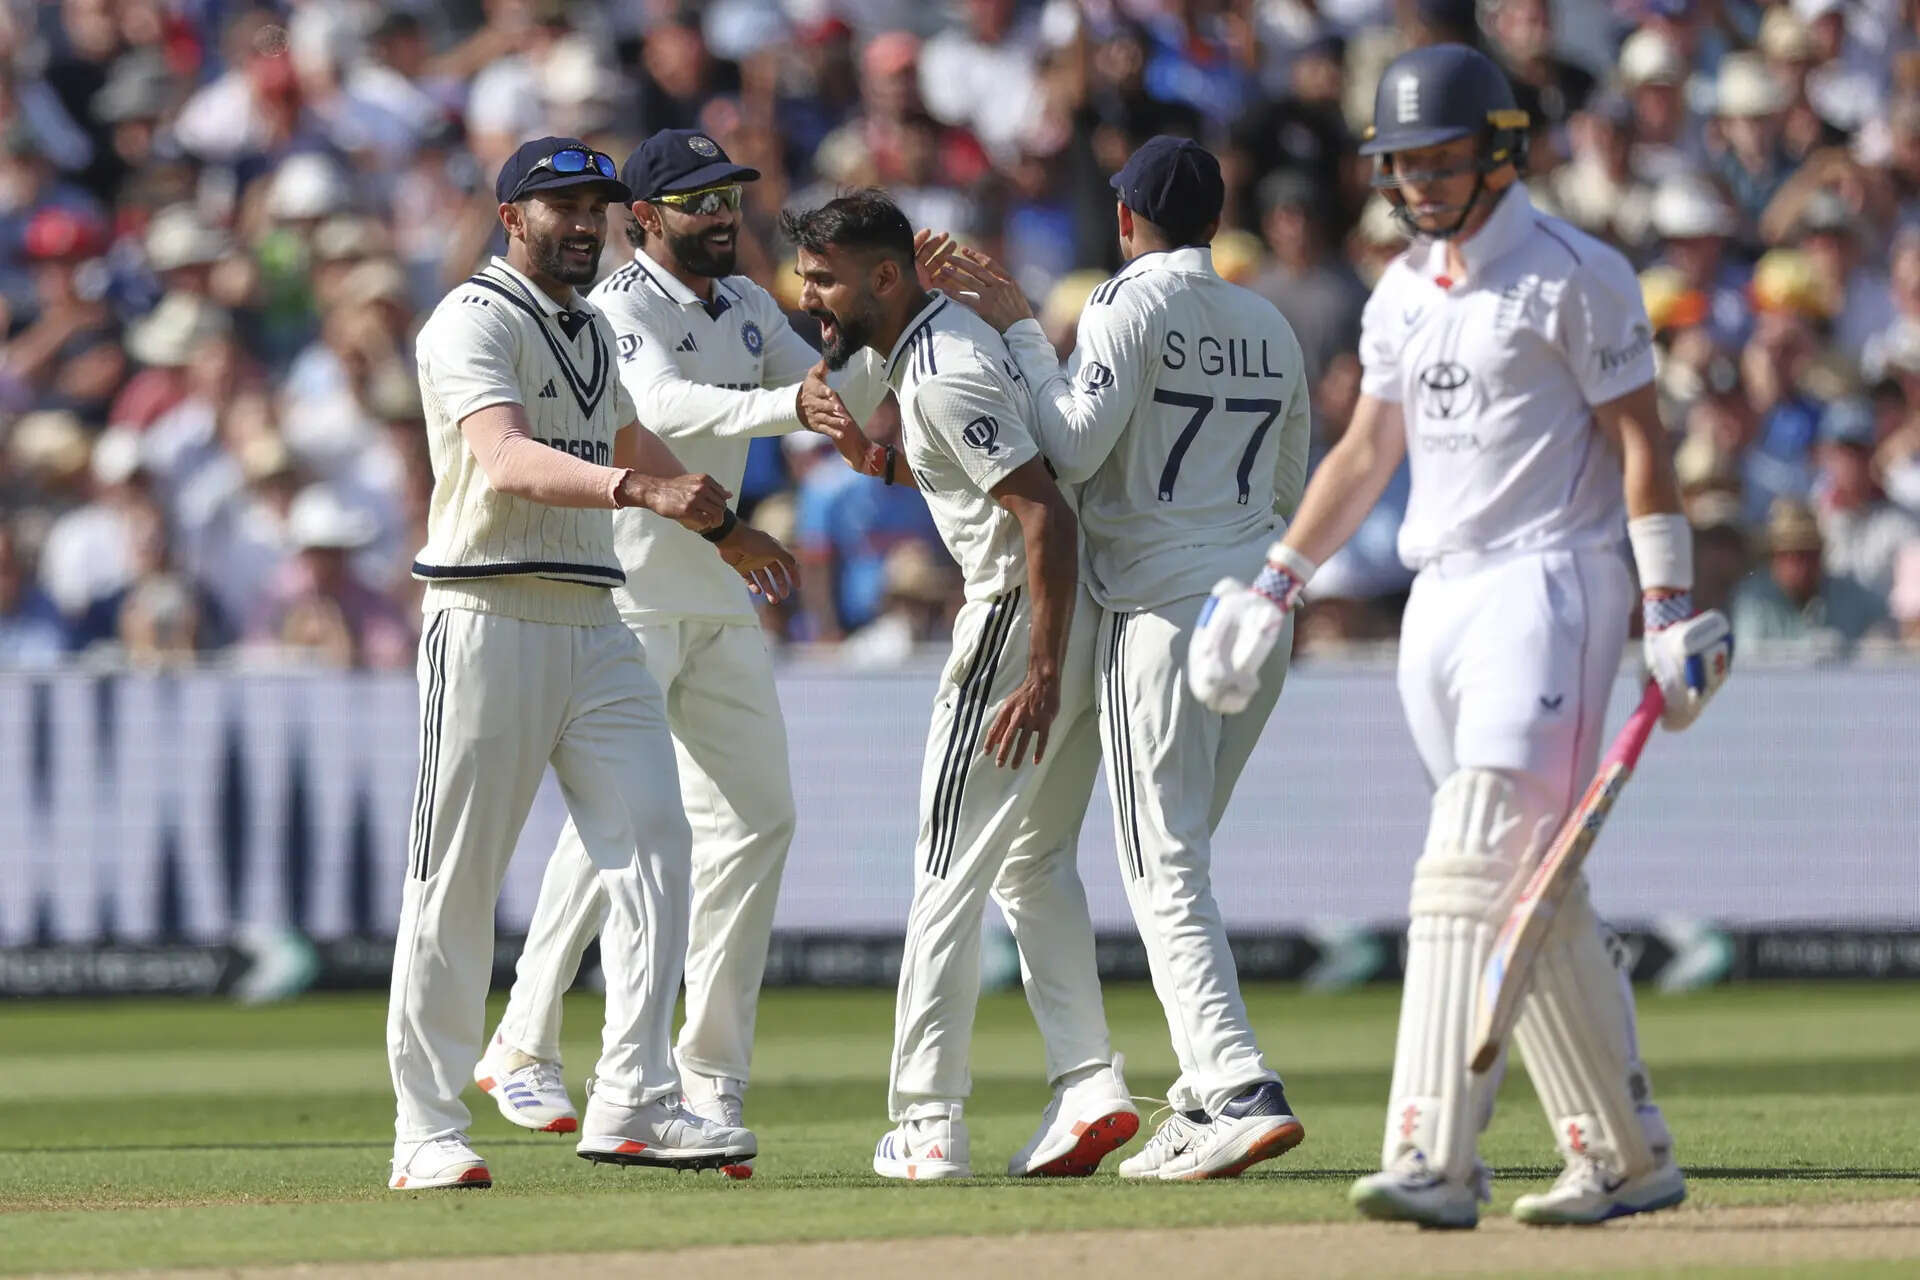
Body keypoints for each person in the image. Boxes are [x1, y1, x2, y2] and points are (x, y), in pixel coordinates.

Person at [1186, 47, 1733, 1228]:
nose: (1421, 184)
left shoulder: (1577, 275)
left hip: (1553, 587)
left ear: (1499, 149)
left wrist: (1670, 600)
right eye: (1402, 164)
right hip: (1437, 601)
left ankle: (1433, 1151)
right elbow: (1366, 452)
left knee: (1470, 856)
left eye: (1442, 160)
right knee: (1532, 887)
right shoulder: (1398, 290)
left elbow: (1640, 438)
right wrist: (1275, 583)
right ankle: (1624, 1153)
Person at [386, 136, 791, 1191]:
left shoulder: (586, 325)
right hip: (487, 609)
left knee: (659, 845)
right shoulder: (472, 318)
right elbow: (507, 458)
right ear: (509, 213)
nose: (581, 222)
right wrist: (646, 497)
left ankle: (633, 1098)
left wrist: (727, 528)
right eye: (558, 204)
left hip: (595, 618)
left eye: (596, 206)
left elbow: (625, 436)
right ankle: (426, 1124)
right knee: (456, 879)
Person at [471, 130, 877, 1168]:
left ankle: (710, 1072)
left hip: (720, 594)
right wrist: (797, 408)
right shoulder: (616, 306)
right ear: (643, 219)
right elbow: (661, 411)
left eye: (730, 198)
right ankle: (520, 1036)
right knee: (620, 825)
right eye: (697, 202)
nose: (722, 218)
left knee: (758, 819)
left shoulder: (743, 305)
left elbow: (837, 387)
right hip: (632, 595)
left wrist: (910, 337)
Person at [925, 134, 1310, 1182]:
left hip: (1161, 611)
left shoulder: (1122, 302)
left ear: (1127, 218)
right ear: (1219, 220)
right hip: (1254, 618)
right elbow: (1290, 482)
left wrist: (1019, 329)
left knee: (1161, 862)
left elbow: (1077, 445)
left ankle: (1234, 1085)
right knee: (1178, 852)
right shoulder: (1268, 320)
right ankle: (1195, 1093)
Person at [784, 189, 1136, 1181]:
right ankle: (1089, 1083)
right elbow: (973, 474)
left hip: (1020, 623)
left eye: (825, 280)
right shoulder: (942, 348)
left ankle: (929, 1118)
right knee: (1032, 863)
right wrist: (863, 450)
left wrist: (1037, 670)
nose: (811, 297)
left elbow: (1042, 519)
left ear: (887, 278)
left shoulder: (940, 369)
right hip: (1067, 621)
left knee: (946, 868)